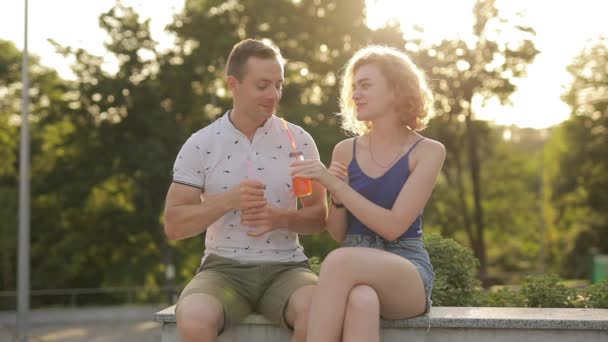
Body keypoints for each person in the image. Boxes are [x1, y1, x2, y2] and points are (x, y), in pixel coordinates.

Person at [163, 39, 327, 342]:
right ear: (233, 84)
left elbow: (319, 217)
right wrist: (227, 200)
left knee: (319, 310)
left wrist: (280, 219)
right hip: (222, 270)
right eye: (263, 85)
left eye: (278, 85)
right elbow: (173, 224)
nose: (274, 95)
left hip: (287, 268)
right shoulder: (201, 144)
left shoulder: (300, 141)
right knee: (194, 316)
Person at [290, 45, 445, 342]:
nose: (355, 94)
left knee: (338, 261)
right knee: (362, 301)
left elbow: (393, 226)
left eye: (366, 85)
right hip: (353, 263)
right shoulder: (344, 151)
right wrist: (336, 196)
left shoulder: (428, 151)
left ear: (396, 91)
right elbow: (337, 233)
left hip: (406, 267)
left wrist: (336, 185)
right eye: (354, 86)